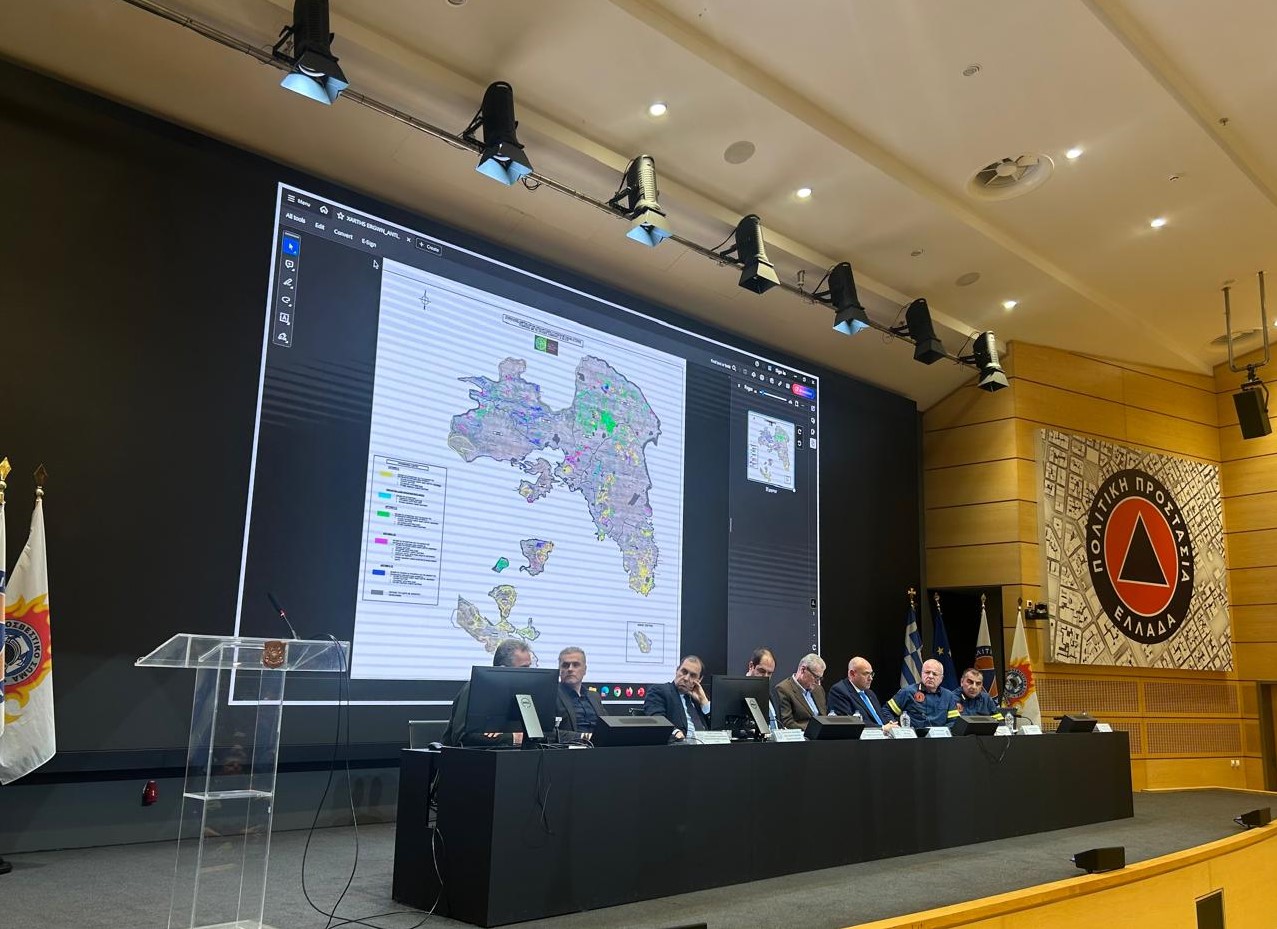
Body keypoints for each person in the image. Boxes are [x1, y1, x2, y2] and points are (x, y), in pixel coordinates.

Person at [442, 638, 533, 747]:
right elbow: (462, 738)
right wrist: (513, 738)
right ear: (503, 669)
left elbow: (539, 733)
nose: (531, 673)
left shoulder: (524, 694)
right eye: (524, 668)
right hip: (470, 756)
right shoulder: (476, 689)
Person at [643, 655, 711, 741]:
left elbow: (717, 728)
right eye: (684, 672)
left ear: (699, 680)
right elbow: (656, 719)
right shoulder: (660, 691)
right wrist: (675, 732)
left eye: (693, 675)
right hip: (679, 745)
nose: (686, 678)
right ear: (677, 670)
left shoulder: (698, 700)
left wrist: (704, 702)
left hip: (706, 746)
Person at [827, 656, 896, 731]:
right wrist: (882, 728)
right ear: (852, 674)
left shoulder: (870, 693)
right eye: (866, 674)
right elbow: (848, 721)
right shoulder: (839, 691)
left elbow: (880, 717)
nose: (870, 678)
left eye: (871, 674)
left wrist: (889, 723)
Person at [886, 658, 958, 729]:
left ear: (941, 678)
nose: (930, 676)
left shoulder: (949, 696)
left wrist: (943, 732)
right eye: (927, 672)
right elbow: (887, 710)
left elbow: (954, 722)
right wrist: (895, 727)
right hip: (913, 735)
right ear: (921, 674)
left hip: (939, 736)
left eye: (935, 674)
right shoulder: (907, 692)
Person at [555, 646, 607, 738]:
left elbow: (608, 726)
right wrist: (585, 737)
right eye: (565, 665)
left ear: (585, 670)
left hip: (600, 745)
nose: (570, 669)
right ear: (559, 670)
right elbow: (548, 733)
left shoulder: (594, 696)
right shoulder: (552, 695)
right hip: (573, 745)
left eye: (575, 665)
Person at [773, 653, 827, 730]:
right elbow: (788, 723)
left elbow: (824, 717)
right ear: (803, 670)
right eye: (815, 677)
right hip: (802, 735)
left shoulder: (819, 690)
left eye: (820, 678)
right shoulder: (784, 689)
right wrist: (815, 729)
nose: (818, 682)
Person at [745, 646, 779, 729]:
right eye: (762, 671)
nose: (766, 677)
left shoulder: (773, 693)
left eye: (769, 673)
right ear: (751, 666)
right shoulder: (737, 691)